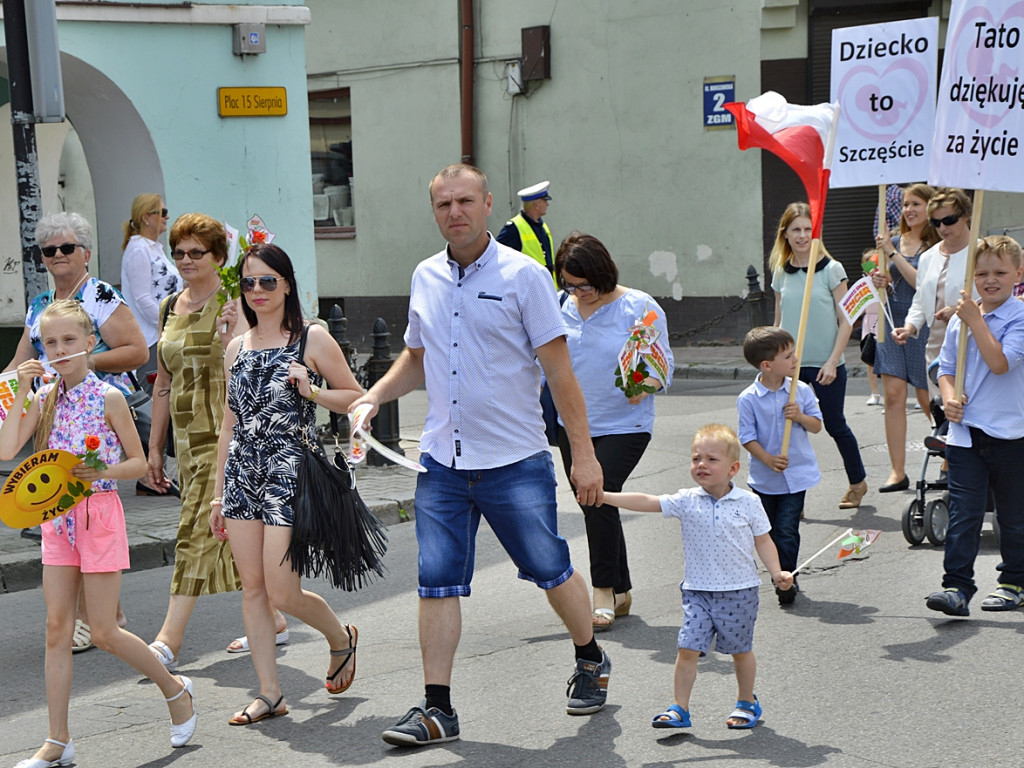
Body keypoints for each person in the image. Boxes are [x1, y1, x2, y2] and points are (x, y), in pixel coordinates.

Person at [350, 163, 607, 747]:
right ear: (434, 211)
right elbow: (417, 357)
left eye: (465, 201)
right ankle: (437, 708)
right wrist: (373, 395)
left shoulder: (526, 277)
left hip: (514, 459)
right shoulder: (425, 276)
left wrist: (583, 455)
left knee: (549, 567)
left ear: (488, 204)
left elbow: (559, 373)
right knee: (435, 582)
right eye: (443, 205)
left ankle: (590, 656)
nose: (454, 213)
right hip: (442, 461)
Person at [0, 300, 197, 767]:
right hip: (56, 520)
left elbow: (139, 465)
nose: (59, 350)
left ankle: (175, 689)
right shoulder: (44, 396)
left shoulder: (107, 396)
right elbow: (9, 448)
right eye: (50, 343)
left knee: (105, 631)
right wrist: (23, 387)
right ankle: (58, 740)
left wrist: (98, 470)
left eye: (69, 340)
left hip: (99, 514)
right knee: (56, 630)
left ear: (91, 343)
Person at [210, 241, 364, 726]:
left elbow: (356, 399)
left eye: (267, 281)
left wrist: (312, 388)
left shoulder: (312, 339)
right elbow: (229, 426)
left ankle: (340, 636)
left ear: (287, 284)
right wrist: (218, 493)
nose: (257, 291)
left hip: (289, 471)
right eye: (249, 282)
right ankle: (271, 694)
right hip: (243, 474)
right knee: (252, 588)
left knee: (280, 590)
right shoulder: (236, 346)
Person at [2, 211, 148, 647]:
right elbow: (18, 363)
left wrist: (77, 363)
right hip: (52, 409)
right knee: (62, 507)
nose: (58, 256)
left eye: (67, 247)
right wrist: (7, 388)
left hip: (96, 412)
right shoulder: (38, 305)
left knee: (85, 507)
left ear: (85, 252)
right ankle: (108, 612)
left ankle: (93, 616)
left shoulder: (101, 295)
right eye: (49, 250)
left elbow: (137, 350)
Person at [144, 213, 278, 671]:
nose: (185, 260)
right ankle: (275, 615)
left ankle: (167, 640)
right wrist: (153, 447)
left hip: (226, 433)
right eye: (178, 252)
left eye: (196, 252)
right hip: (185, 437)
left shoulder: (235, 301)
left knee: (197, 527)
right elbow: (163, 381)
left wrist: (231, 332)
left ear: (220, 257)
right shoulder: (169, 307)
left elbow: (249, 365)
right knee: (229, 531)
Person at [601, 424, 793, 730]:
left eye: (711, 459)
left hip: (739, 592)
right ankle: (679, 708)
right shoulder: (687, 499)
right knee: (687, 649)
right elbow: (648, 501)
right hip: (697, 592)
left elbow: (763, 541)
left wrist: (776, 573)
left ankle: (746, 701)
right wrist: (604, 497)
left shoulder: (748, 503)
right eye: (696, 458)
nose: (701, 464)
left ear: (733, 468)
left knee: (740, 651)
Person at [553, 231, 673, 630]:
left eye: (583, 284)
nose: (576, 292)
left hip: (625, 423)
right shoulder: (559, 307)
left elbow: (662, 368)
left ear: (602, 274)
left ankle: (603, 590)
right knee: (598, 502)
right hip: (572, 425)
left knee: (596, 496)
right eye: (568, 284)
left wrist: (644, 384)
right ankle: (621, 589)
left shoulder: (638, 308)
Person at [926, 236, 1024, 616]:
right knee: (964, 513)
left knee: (1012, 516)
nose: (990, 280)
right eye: (981, 273)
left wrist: (975, 320)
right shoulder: (961, 321)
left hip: (1012, 433)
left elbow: (1000, 363)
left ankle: (1014, 581)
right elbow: (946, 369)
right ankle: (956, 587)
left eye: (1000, 272)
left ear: (1018, 274)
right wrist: (950, 396)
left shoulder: (1017, 317)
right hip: (966, 433)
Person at [770, 202, 867, 509]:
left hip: (826, 365)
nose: (802, 236)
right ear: (785, 233)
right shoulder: (780, 273)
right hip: (791, 365)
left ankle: (857, 483)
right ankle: (791, 497)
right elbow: (779, 320)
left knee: (835, 424)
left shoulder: (831, 269)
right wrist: (773, 362)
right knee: (789, 428)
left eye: (807, 230)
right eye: (796, 229)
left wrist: (832, 361)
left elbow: (846, 321)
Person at [737, 327, 821, 605]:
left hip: (796, 476)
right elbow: (747, 437)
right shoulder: (748, 398)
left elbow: (817, 425)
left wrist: (799, 416)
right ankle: (777, 570)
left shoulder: (801, 391)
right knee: (768, 530)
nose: (795, 359)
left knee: (787, 528)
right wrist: (768, 459)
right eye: (788, 355)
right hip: (764, 478)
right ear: (767, 365)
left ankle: (786, 579)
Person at [872, 184, 940, 492]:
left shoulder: (937, 246)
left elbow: (920, 284)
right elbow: (889, 285)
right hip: (890, 321)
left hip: (923, 322)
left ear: (931, 208)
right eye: (905, 204)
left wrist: (893, 254)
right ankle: (897, 472)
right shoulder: (893, 241)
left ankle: (950, 456)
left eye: (916, 204)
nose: (909, 209)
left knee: (929, 398)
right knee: (894, 396)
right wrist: (880, 282)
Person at [893, 188, 978, 389]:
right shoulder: (928, 257)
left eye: (949, 220)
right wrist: (909, 327)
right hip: (937, 344)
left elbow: (998, 297)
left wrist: (960, 311)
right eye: (936, 222)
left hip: (974, 342)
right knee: (940, 412)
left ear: (965, 215)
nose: (943, 227)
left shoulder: (981, 251)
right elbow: (921, 299)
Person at [119, 194, 182, 386]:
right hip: (152, 338)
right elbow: (143, 299)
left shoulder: (154, 248)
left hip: (164, 335)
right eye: (162, 212)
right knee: (157, 395)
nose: (166, 217)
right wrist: (171, 323)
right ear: (146, 217)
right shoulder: (139, 249)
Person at [496, 180, 556, 281]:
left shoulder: (542, 226)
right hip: (527, 289)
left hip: (546, 286)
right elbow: (497, 255)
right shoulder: (514, 227)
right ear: (536, 205)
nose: (547, 204)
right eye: (545, 201)